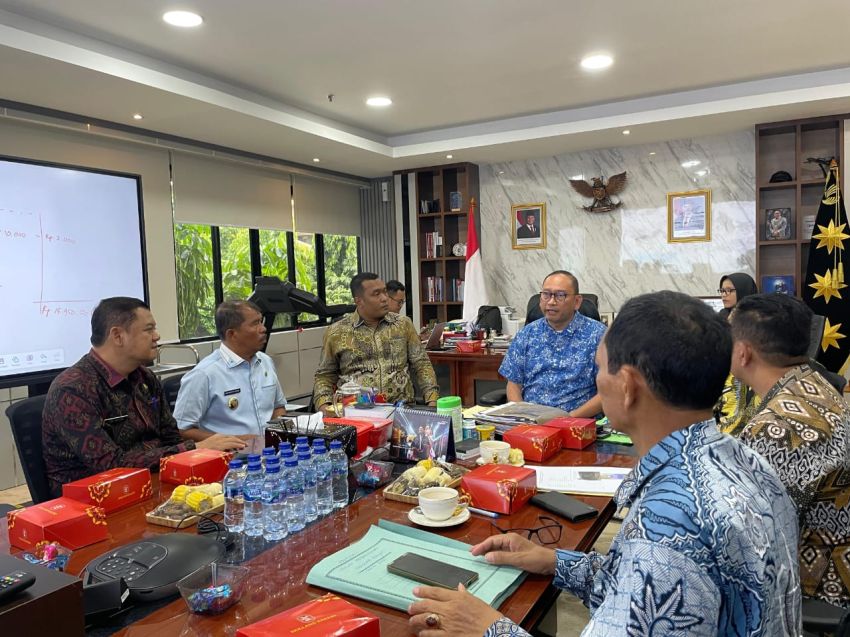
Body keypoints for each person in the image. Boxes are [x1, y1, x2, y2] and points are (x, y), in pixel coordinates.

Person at [408, 291, 801, 636]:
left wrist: (485, 629)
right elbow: (646, 585)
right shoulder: (745, 459)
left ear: (628, 387)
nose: (597, 379)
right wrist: (554, 560)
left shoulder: (668, 525)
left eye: (599, 368)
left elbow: (660, 568)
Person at [42, 297, 245, 497]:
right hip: (93, 501)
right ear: (118, 336)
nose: (157, 336)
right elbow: (111, 465)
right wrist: (196, 447)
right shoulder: (73, 389)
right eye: (148, 329)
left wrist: (199, 455)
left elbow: (170, 436)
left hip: (152, 484)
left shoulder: (145, 378)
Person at [729, 293, 850, 607]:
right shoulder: (815, 383)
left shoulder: (776, 429)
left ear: (743, 352)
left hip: (818, 579)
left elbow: (748, 537)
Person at [313, 273, 439, 415]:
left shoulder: (403, 325)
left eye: (384, 291)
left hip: (402, 411)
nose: (384, 298)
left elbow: (422, 364)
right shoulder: (336, 332)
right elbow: (324, 376)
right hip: (356, 414)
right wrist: (325, 408)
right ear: (359, 301)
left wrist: (432, 402)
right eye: (376, 294)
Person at [173, 300, 287, 440]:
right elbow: (183, 430)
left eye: (261, 321)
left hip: (270, 452)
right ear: (232, 334)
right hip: (229, 457)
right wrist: (233, 440)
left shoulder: (265, 362)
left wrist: (277, 435)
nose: (263, 329)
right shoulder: (204, 374)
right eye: (255, 323)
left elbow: (278, 406)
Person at [499, 271, 605, 416]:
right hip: (531, 423)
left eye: (560, 295)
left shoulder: (599, 335)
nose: (551, 302)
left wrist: (569, 418)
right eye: (546, 294)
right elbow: (514, 384)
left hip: (577, 423)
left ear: (577, 302)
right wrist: (522, 416)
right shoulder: (527, 334)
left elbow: (608, 391)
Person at [714, 272, 760, 434]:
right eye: (722, 291)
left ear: (742, 290)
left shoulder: (757, 318)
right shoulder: (721, 316)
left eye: (729, 290)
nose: (724, 295)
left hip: (748, 370)